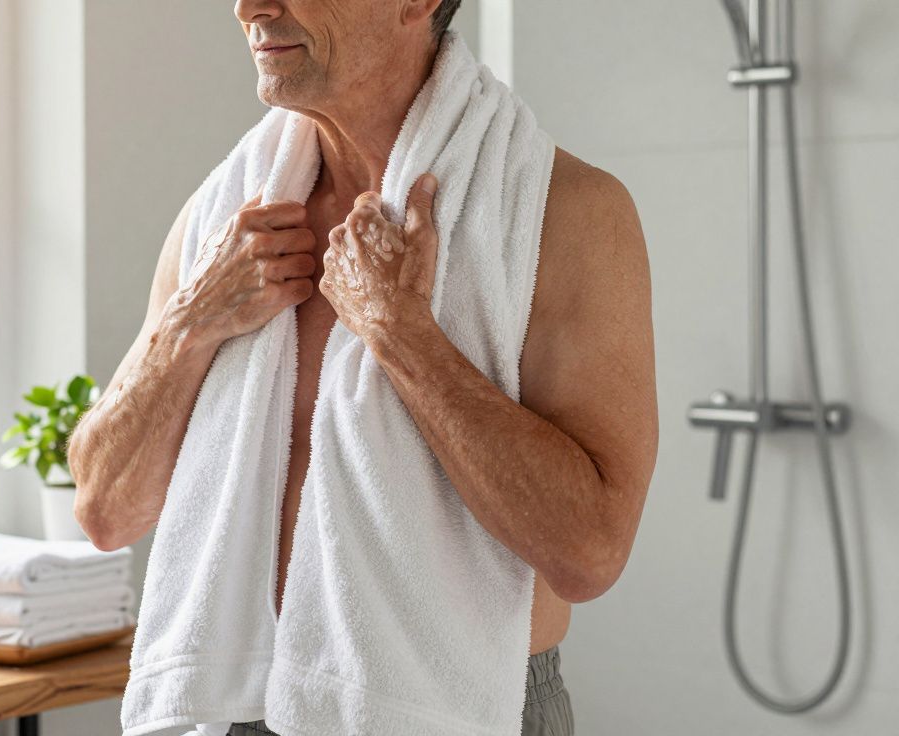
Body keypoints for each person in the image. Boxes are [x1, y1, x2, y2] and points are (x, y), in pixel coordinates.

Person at [68, 2, 658, 734]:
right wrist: (191, 323)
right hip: (239, 706)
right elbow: (104, 508)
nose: (249, 5)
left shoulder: (566, 214)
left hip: (463, 707)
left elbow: (589, 553)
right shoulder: (224, 218)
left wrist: (401, 333)